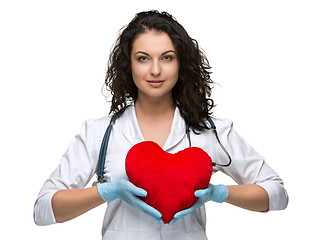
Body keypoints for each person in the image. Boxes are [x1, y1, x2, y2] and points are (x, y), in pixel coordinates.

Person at [34, 10, 288, 239]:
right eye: (143, 58)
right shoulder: (99, 132)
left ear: (181, 64)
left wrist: (219, 193)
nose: (155, 70)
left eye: (167, 58)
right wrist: (108, 192)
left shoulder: (211, 131)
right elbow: (43, 210)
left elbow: (277, 194)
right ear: (128, 65)